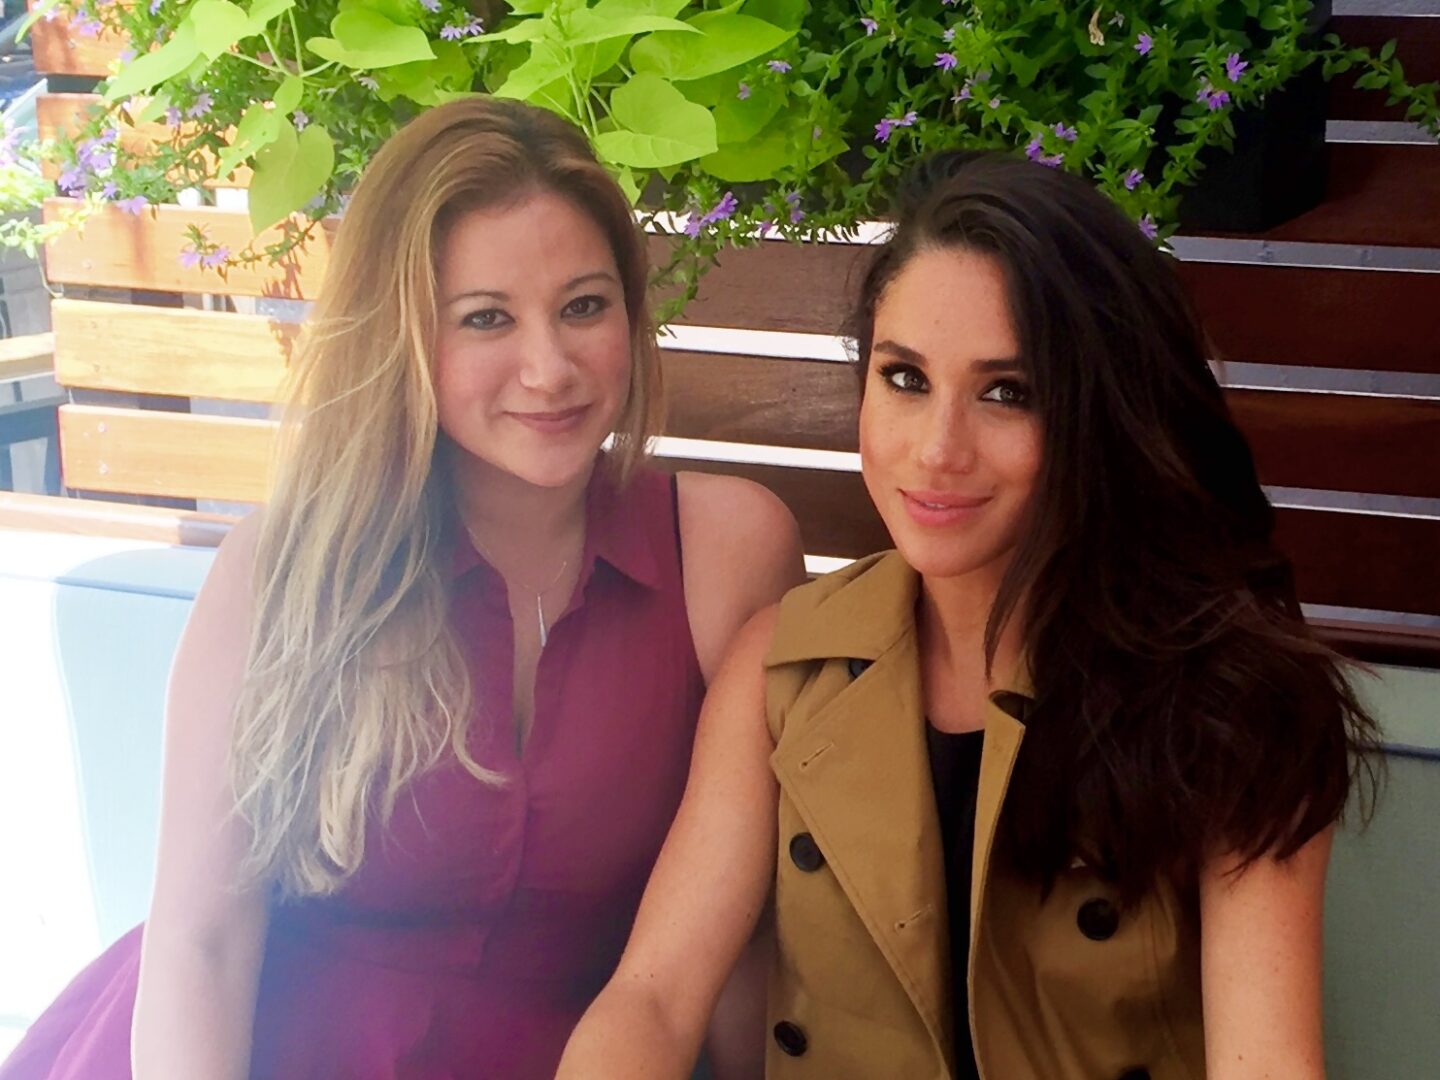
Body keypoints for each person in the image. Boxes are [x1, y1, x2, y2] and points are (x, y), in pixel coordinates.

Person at [1, 97, 802, 1080]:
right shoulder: (285, 569)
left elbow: (738, 936)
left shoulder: (725, 551)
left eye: (584, 307)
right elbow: (201, 942)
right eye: (486, 319)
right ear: (401, 335)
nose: (549, 368)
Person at [557, 150, 1380, 1080]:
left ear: (1099, 412)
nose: (937, 451)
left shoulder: (1238, 701)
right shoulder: (781, 668)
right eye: (905, 378)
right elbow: (653, 998)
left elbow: (1267, 1063)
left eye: (1007, 392)